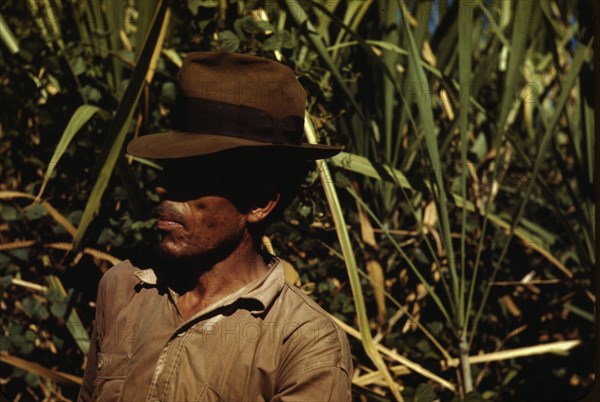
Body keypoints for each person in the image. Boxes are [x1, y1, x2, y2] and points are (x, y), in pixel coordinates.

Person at [78, 51, 353, 402]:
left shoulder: (304, 341)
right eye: (167, 170)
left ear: (258, 204)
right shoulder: (122, 288)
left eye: (193, 177)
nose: (163, 189)